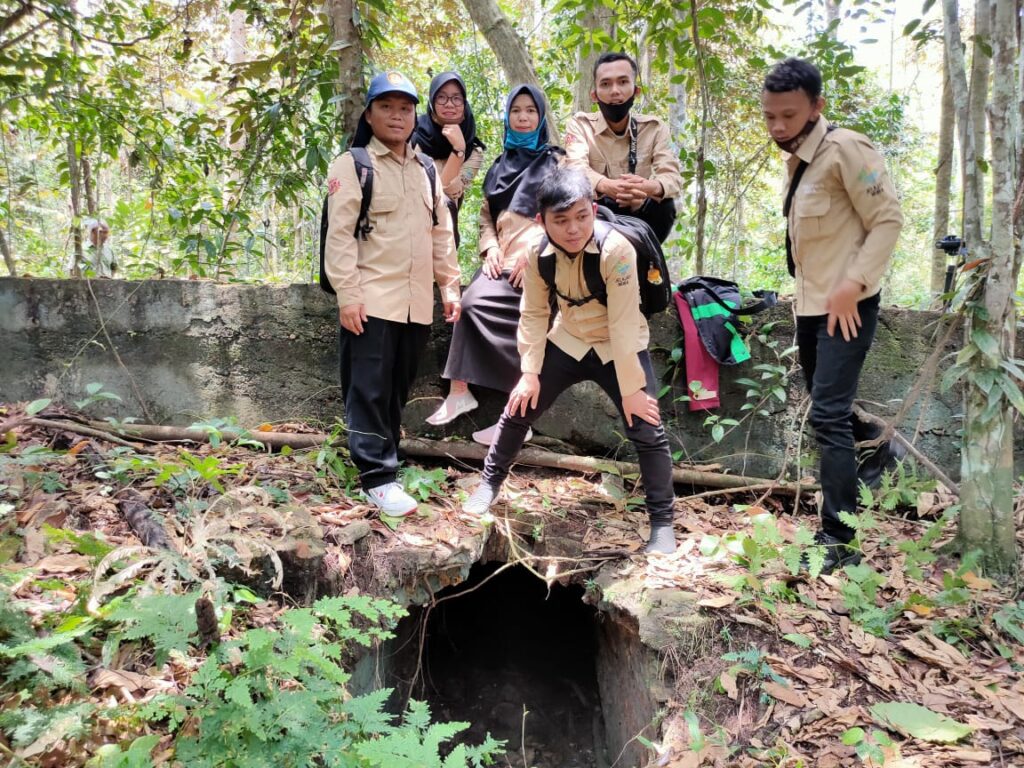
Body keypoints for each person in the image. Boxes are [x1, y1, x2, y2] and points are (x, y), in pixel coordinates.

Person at [461, 167, 677, 554]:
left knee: (647, 427)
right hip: (570, 339)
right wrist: (529, 372)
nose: (574, 229)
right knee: (517, 408)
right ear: (542, 221)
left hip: (617, 346)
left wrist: (631, 389)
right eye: (561, 221)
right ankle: (489, 484)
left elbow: (626, 323)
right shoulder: (538, 252)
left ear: (593, 209)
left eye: (581, 216)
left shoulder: (617, 250)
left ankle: (662, 525)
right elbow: (533, 313)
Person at [761, 57, 904, 573]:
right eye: (770, 116)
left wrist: (854, 284)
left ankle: (839, 539)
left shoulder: (849, 149)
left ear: (817, 107)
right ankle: (878, 453)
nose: (778, 127)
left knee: (825, 415)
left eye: (789, 116)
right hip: (810, 305)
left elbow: (888, 219)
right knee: (832, 410)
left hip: (848, 306)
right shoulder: (797, 158)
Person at [324, 70, 461, 517]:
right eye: (387, 107)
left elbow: (442, 232)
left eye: (405, 108)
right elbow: (340, 237)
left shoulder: (425, 169)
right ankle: (376, 477)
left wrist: (450, 286)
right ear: (370, 113)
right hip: (372, 299)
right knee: (367, 389)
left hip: (415, 302)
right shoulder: (353, 165)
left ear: (414, 115)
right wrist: (348, 294)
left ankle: (389, 461)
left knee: (396, 389)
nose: (397, 116)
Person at [426, 84, 563, 446]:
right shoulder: (500, 165)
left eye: (530, 111)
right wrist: (489, 248)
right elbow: (486, 217)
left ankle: (518, 418)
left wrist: (535, 251)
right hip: (500, 259)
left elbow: (565, 217)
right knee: (468, 304)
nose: (522, 117)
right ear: (508, 117)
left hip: (539, 259)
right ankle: (459, 391)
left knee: (527, 318)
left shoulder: (555, 162)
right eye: (516, 110)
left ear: (540, 117)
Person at [564, 52, 680, 244]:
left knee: (666, 205)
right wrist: (607, 186)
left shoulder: (654, 128)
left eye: (623, 82)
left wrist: (646, 189)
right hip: (597, 215)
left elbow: (672, 178)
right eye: (606, 84)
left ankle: (647, 264)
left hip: (640, 215)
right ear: (594, 95)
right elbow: (576, 169)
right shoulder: (581, 125)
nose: (615, 91)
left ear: (636, 91)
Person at [410, 71, 486, 247]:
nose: (449, 104)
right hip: (409, 229)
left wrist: (458, 149)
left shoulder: (474, 153)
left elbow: (447, 192)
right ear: (432, 101)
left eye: (456, 98)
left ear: (464, 102)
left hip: (444, 236)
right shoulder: (413, 136)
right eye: (442, 97)